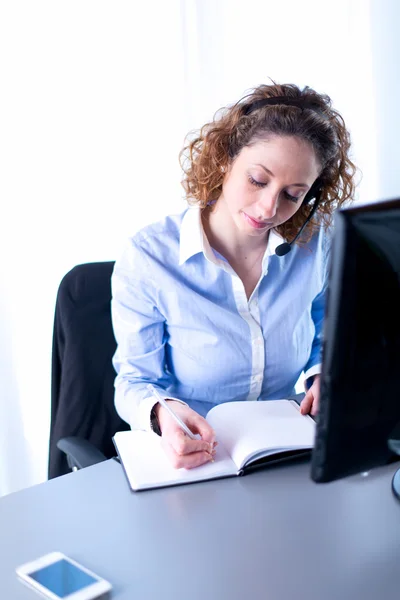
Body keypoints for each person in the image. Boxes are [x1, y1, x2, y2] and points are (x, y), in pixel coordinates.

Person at [111, 82, 356, 470]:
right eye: (258, 180)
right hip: (199, 458)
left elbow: (325, 337)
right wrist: (163, 414)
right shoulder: (150, 257)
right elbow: (134, 382)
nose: (268, 207)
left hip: (287, 453)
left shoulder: (313, 247)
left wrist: (325, 375)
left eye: (293, 194)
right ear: (225, 159)